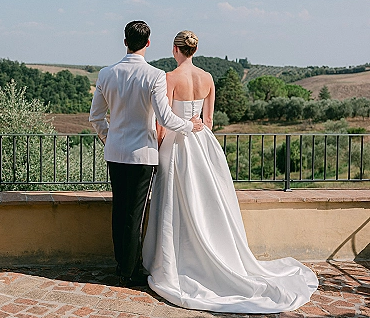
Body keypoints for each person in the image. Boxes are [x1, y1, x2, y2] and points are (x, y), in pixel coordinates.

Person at [142, 30, 318, 313]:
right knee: (206, 198)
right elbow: (208, 120)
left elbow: (164, 122)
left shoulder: (169, 78)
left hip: (177, 144)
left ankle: (172, 259)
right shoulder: (208, 78)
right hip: (202, 141)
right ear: (194, 51)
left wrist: (162, 144)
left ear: (175, 50)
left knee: (173, 201)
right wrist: (198, 133)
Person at [89, 21, 203, 288]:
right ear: (148, 43)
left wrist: (110, 137)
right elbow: (164, 117)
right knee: (136, 214)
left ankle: (122, 265)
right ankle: (130, 271)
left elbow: (95, 117)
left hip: (115, 153)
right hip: (143, 155)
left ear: (125, 41)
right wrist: (190, 125)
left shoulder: (107, 73)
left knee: (120, 210)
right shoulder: (154, 75)